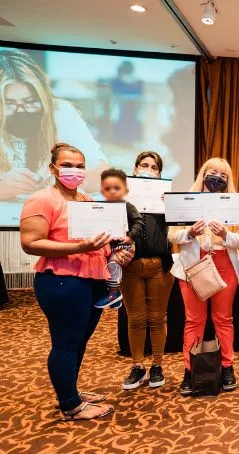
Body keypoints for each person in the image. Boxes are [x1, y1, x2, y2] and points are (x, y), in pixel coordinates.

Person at [19, 142, 132, 421]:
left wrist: (118, 251)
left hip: (92, 281)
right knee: (66, 343)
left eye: (80, 166)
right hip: (62, 282)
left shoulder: (86, 200)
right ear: (53, 168)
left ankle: (69, 391)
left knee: (79, 341)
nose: (75, 171)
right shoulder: (43, 199)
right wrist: (79, 248)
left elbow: (100, 241)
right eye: (67, 165)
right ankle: (70, 405)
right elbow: (30, 243)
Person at [169, 158, 239, 396]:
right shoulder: (187, 200)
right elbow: (172, 236)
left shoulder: (234, 204)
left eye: (223, 175)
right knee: (194, 321)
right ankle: (190, 370)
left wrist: (225, 234)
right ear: (203, 174)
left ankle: (227, 367)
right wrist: (190, 232)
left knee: (223, 320)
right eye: (212, 172)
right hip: (193, 266)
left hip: (224, 266)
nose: (217, 178)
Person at [0, 50, 107, 208]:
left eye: (30, 101)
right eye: (9, 104)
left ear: (44, 98)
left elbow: (102, 173)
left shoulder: (61, 112)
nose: (21, 110)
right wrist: (3, 189)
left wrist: (67, 183)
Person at [118, 151, 175, 390]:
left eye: (154, 167)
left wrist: (169, 205)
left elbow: (178, 229)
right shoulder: (120, 199)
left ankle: (157, 365)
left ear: (159, 174)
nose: (148, 170)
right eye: (144, 165)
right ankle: (138, 366)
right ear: (135, 169)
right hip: (130, 267)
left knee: (158, 319)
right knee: (136, 319)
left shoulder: (165, 199)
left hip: (159, 266)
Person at [96, 168, 144, 310]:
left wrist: (130, 237)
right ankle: (114, 299)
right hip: (107, 246)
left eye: (116, 188)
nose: (112, 191)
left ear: (125, 190)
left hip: (122, 245)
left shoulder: (127, 206)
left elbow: (139, 222)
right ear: (102, 190)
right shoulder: (101, 207)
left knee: (113, 263)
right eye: (107, 188)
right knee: (104, 265)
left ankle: (114, 293)